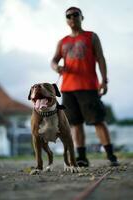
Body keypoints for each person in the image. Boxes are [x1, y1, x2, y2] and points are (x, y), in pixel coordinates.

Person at [51, 7, 119, 167]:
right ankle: (82, 157)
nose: (72, 17)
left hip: (88, 86)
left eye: (75, 14)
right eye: (68, 15)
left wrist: (104, 80)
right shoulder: (62, 42)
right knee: (75, 124)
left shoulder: (91, 36)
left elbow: (100, 58)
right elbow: (53, 60)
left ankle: (110, 155)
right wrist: (56, 67)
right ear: (66, 20)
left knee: (98, 120)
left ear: (82, 17)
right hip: (67, 88)